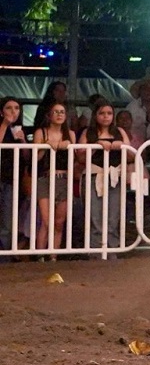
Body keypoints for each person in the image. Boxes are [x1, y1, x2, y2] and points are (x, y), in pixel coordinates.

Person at [82, 99, 130, 254]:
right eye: (102, 113)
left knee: (113, 215)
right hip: (94, 175)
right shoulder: (87, 132)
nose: (105, 116)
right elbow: (79, 156)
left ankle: (112, 250)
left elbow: (131, 155)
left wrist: (120, 145)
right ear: (95, 115)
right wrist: (96, 145)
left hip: (115, 176)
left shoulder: (120, 132)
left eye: (109, 113)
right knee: (95, 215)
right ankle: (96, 251)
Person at [34, 102, 76, 259]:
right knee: (47, 221)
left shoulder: (70, 134)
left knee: (59, 222)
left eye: (62, 112)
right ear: (49, 115)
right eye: (56, 112)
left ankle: (53, 257)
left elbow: (75, 158)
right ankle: (40, 256)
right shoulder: (41, 132)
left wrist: (67, 145)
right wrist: (46, 146)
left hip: (64, 179)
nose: (59, 115)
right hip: (45, 178)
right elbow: (35, 158)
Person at [0, 97, 28, 259]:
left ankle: (4, 258)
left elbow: (26, 157)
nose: (13, 112)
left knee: (8, 221)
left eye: (16, 108)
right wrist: (4, 124)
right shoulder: (3, 126)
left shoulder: (19, 129)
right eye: (9, 108)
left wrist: (23, 140)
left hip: (11, 179)